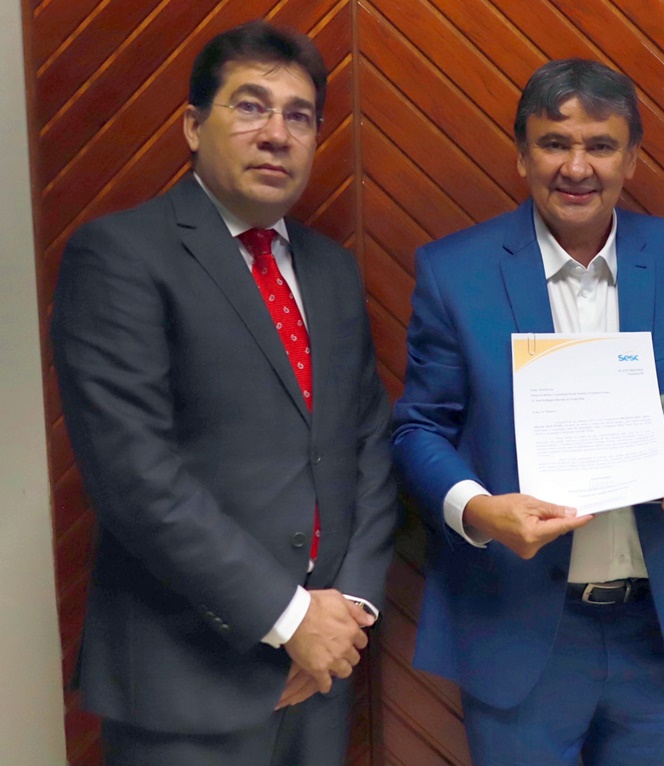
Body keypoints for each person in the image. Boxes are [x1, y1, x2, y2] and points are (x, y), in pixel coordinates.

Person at [51, 21, 400, 766]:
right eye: (250, 107)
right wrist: (289, 618)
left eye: (299, 116)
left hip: (322, 673)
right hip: (185, 683)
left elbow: (368, 442)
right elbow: (134, 477)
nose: (276, 134)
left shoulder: (331, 270)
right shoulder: (121, 256)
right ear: (191, 125)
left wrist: (346, 612)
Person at [392, 58, 664, 766]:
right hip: (517, 625)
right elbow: (420, 427)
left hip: (660, 631)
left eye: (601, 146)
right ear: (523, 154)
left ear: (631, 159)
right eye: (555, 143)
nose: (577, 168)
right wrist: (479, 511)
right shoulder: (455, 271)